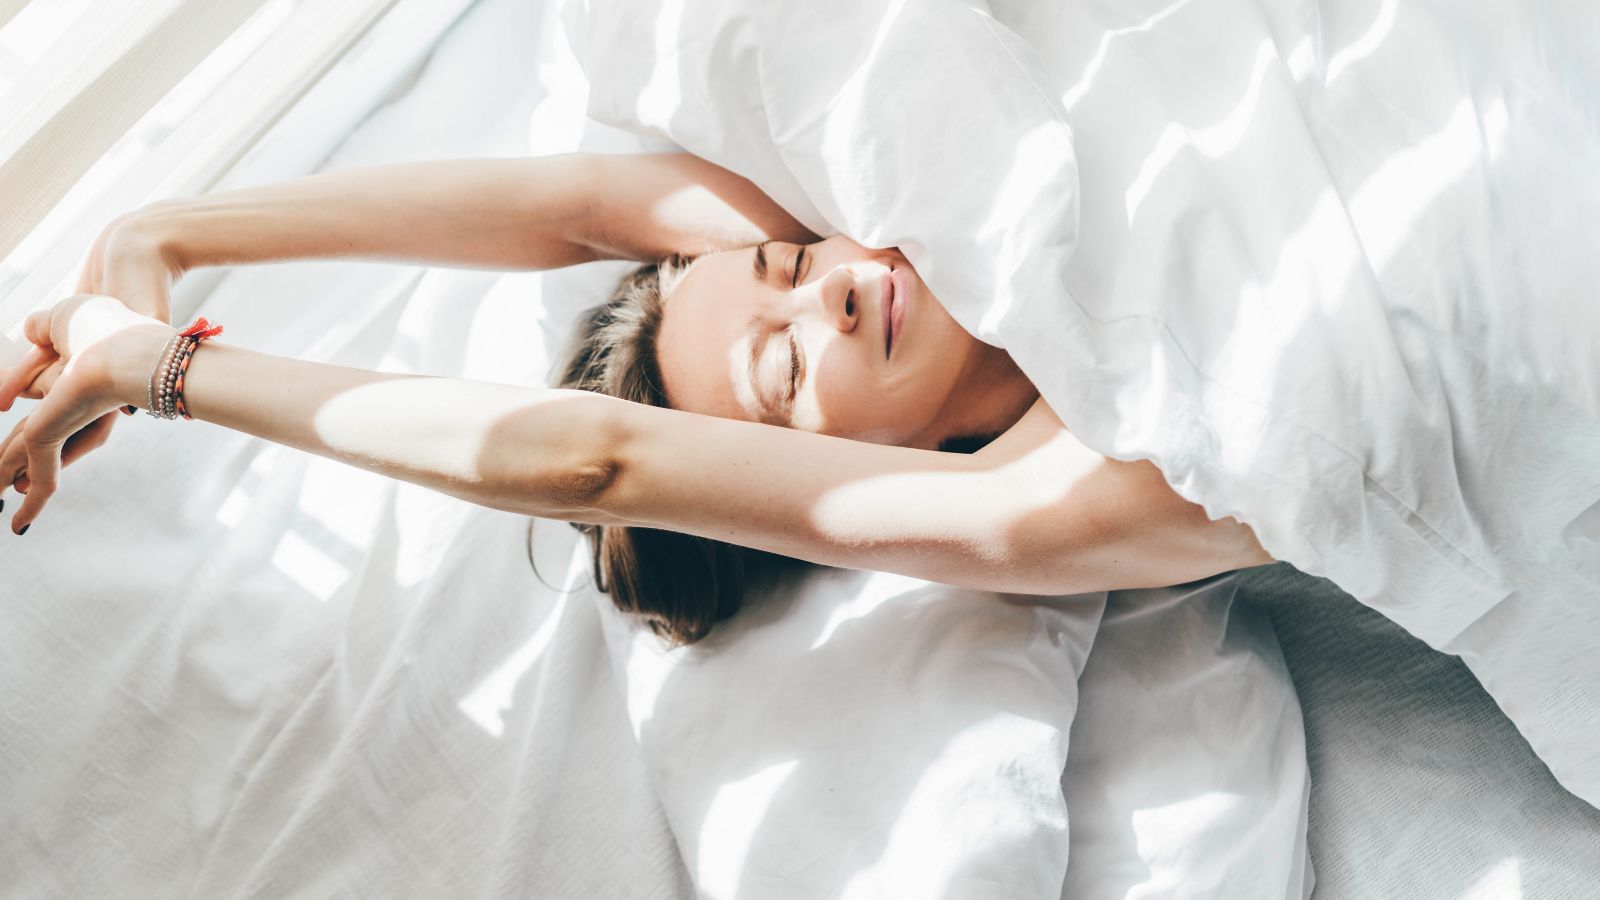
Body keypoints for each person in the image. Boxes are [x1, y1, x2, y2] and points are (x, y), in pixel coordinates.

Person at [0, 152, 1273, 643]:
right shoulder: (1072, 487)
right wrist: (161, 370)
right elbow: (603, 462)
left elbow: (582, 210)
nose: (830, 295)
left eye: (789, 266)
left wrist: (162, 231)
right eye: (784, 372)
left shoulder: (944, 186)